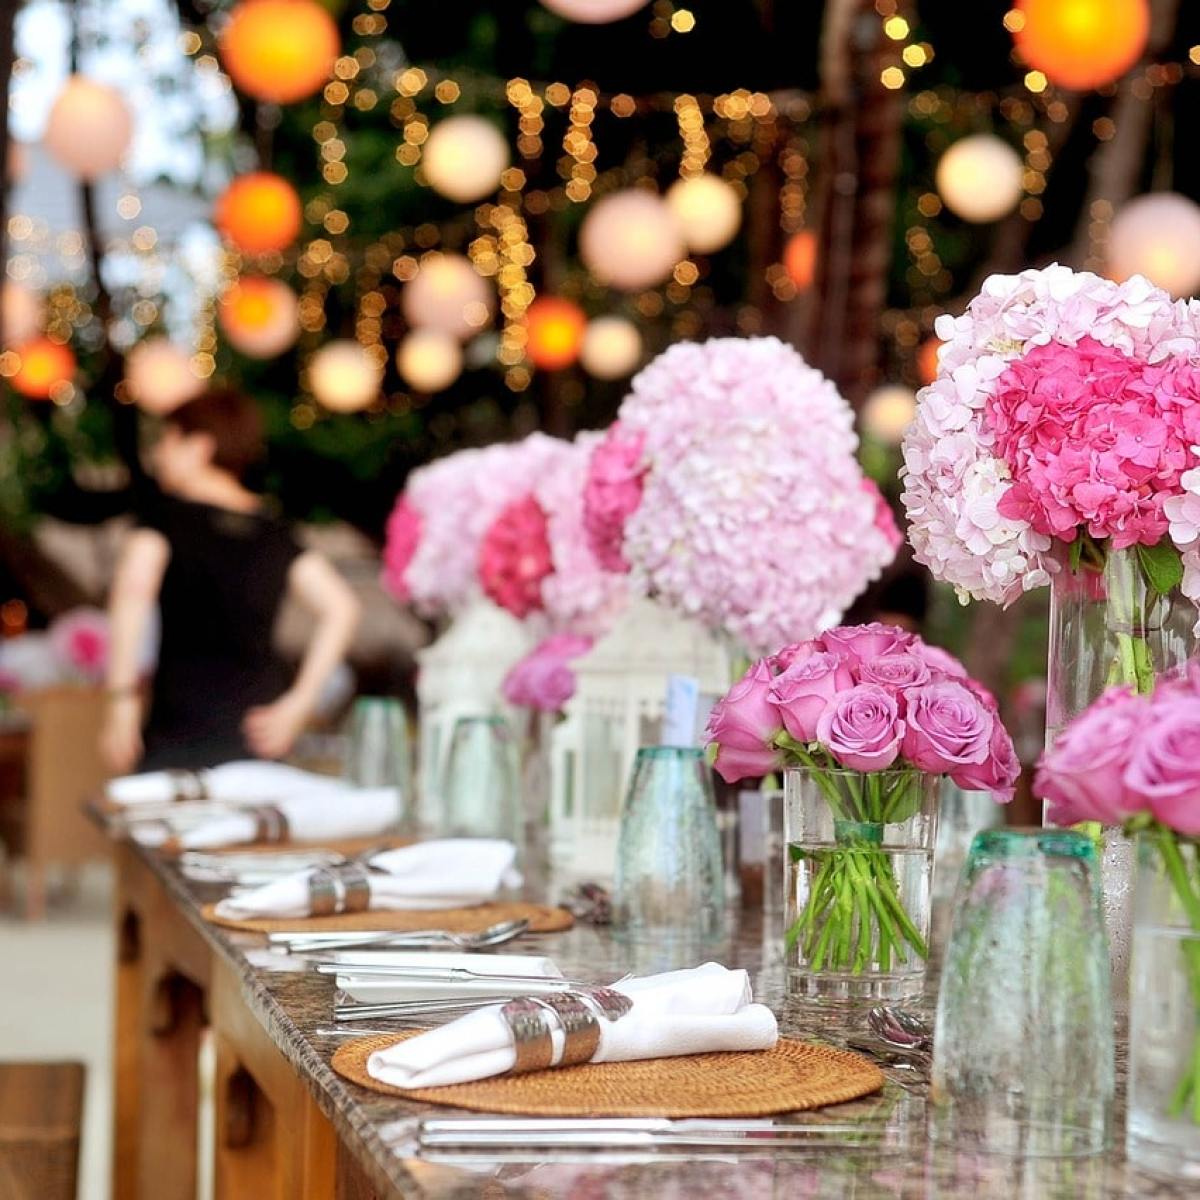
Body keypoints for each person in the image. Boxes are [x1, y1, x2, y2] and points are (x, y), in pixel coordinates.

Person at [100, 389, 361, 773]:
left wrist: (120, 700)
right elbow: (343, 609)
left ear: (199, 446)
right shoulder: (274, 530)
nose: (158, 455)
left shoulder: (165, 518)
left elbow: (132, 594)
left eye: (168, 441)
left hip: (180, 733)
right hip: (260, 735)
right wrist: (299, 704)